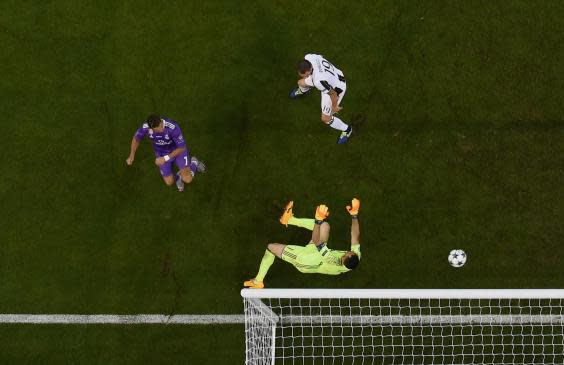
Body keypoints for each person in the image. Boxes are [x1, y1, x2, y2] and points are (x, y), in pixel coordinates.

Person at [244, 199, 361, 289]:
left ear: (345, 258)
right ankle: (288, 219)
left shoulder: (331, 259)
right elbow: (355, 236)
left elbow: (316, 240)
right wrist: (354, 215)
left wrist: (318, 219)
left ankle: (258, 281)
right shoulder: (355, 256)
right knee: (325, 227)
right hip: (315, 252)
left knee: (271, 248)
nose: (346, 252)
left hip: (305, 260)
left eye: (346, 254)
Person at [126, 114, 205, 191]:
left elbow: (182, 147)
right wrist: (132, 155)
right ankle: (178, 177)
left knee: (187, 179)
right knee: (169, 182)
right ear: (151, 128)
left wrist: (165, 158)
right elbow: (136, 138)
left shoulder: (173, 127)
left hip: (177, 150)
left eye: (161, 126)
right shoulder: (146, 127)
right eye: (157, 129)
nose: (161, 130)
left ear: (161, 121)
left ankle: (194, 162)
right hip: (161, 153)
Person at [289, 54, 353, 144]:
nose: (302, 76)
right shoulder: (309, 57)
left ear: (307, 72)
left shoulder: (318, 81)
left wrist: (334, 106)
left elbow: (333, 94)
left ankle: (347, 130)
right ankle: (303, 91)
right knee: (301, 83)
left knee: (326, 118)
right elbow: (321, 57)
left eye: (303, 75)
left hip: (337, 87)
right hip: (333, 76)